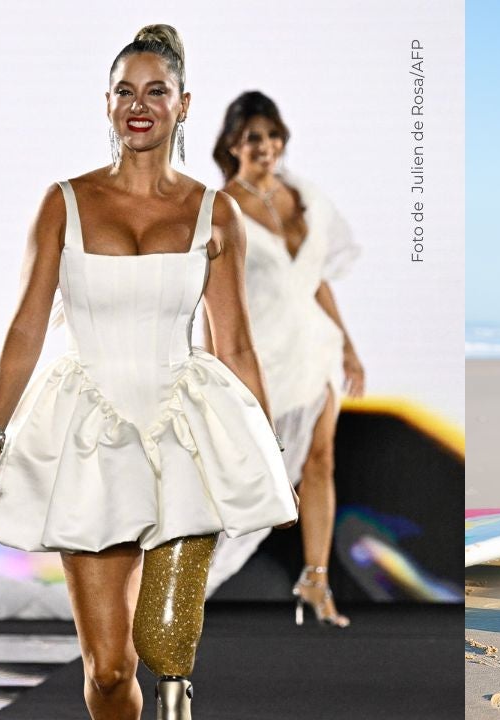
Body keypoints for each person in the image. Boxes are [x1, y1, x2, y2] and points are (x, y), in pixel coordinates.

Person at [0, 25, 299, 719]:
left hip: (185, 427)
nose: (138, 104)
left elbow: (232, 343)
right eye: (124, 90)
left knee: (167, 646)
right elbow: (28, 325)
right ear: (107, 103)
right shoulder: (65, 202)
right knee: (112, 669)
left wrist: (263, 453)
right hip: (90, 434)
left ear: (184, 103)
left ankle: (177, 697)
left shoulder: (216, 213)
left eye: (156, 91)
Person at [204, 90, 363, 628]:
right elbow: (208, 294)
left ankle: (315, 581)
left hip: (314, 351)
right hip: (264, 360)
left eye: (273, 135)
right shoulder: (220, 207)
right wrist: (213, 369)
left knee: (322, 462)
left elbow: (314, 277)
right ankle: (181, 582)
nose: (266, 146)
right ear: (233, 144)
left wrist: (349, 346)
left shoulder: (305, 195)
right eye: (254, 137)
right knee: (247, 481)